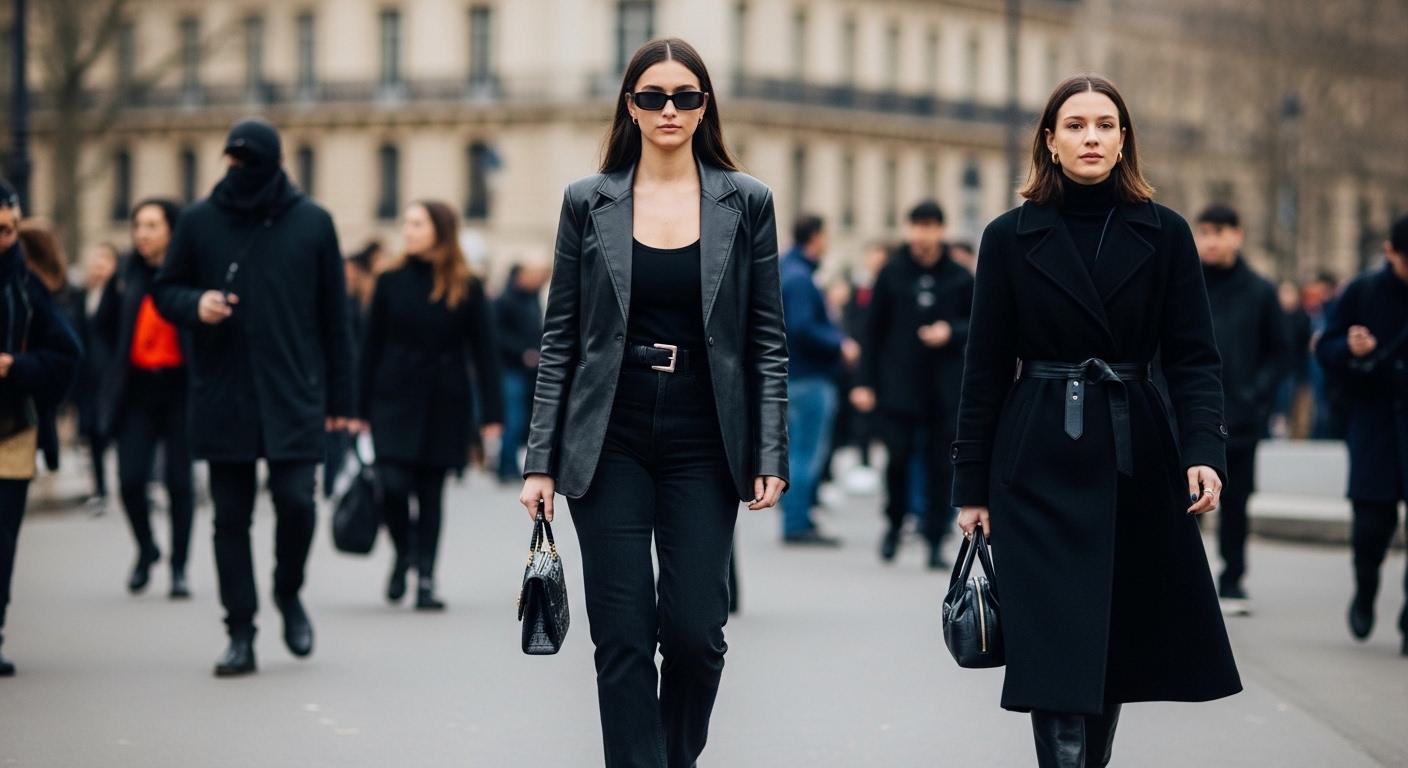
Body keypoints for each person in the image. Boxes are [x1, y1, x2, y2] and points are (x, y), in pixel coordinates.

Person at [951, 75, 1241, 766]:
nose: (1091, 137)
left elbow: (1195, 357)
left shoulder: (1165, 232)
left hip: (1131, 452)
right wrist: (970, 488)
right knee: (1054, 643)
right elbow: (983, 368)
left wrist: (1204, 449)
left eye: (1105, 125)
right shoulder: (1007, 237)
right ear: (1049, 142)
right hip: (1036, 457)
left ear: (1123, 140)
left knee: (1106, 645)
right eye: (1075, 125)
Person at [519, 38, 787, 768]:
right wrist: (538, 459)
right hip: (609, 430)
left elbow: (766, 339)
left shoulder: (747, 201)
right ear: (630, 106)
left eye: (686, 96)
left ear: (705, 107)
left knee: (698, 634)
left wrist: (770, 451)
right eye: (652, 97)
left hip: (707, 429)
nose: (669, 110)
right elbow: (562, 338)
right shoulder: (588, 201)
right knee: (624, 636)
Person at [153, 118, 356, 677]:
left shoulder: (312, 222)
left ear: (274, 164)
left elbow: (336, 319)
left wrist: (343, 398)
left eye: (250, 162)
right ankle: (239, 630)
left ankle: (287, 592)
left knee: (297, 501)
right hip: (224, 392)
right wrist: (196, 304)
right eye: (232, 161)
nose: (239, 172)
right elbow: (164, 289)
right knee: (230, 517)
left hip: (294, 391)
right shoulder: (197, 221)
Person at [358, 201, 503, 610]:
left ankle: (425, 577)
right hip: (392, 399)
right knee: (392, 485)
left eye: (416, 223)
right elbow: (368, 346)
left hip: (445, 401)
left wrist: (493, 415)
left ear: (440, 229)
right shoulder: (389, 281)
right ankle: (404, 551)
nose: (407, 230)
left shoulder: (466, 285)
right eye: (405, 222)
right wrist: (355, 406)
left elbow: (485, 354)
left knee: (431, 492)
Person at [851, 201, 972, 568]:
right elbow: (871, 332)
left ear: (941, 230)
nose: (923, 234)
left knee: (940, 466)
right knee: (898, 460)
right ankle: (894, 523)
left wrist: (949, 331)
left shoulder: (960, 276)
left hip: (943, 388)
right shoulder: (892, 273)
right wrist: (864, 382)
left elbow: (978, 324)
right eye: (918, 225)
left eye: (931, 226)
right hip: (898, 385)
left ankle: (936, 537)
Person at [1315, 213, 1408, 657]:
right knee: (1372, 523)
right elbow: (1325, 346)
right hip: (1373, 423)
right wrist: (1349, 349)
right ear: (1390, 253)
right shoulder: (1364, 291)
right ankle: (1365, 587)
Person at [0, 181, 83, 676]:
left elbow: (68, 354)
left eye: (10, 229)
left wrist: (17, 367)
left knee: (2, 538)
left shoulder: (26, 287)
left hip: (11, 429)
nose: (4, 239)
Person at [93, 199, 196, 599]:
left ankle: (179, 567)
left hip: (180, 388)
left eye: (152, 225)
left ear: (172, 229)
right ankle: (147, 548)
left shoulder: (188, 273)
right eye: (138, 225)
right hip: (136, 390)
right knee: (131, 479)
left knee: (179, 483)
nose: (142, 234)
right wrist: (111, 367)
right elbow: (99, 328)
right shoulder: (126, 276)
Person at [1195, 203, 1288, 616]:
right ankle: (1189, 579)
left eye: (1218, 232)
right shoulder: (1186, 282)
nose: (1210, 241)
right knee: (1185, 499)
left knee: (1236, 502)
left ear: (1237, 235)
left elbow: (1280, 352)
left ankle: (1232, 579)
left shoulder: (1260, 290)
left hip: (1241, 418)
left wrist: (1257, 396)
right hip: (1192, 415)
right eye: (1204, 232)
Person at [778, 213, 850, 545]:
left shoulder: (785, 269)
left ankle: (796, 516)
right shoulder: (800, 278)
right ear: (816, 238)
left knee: (796, 450)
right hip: (808, 376)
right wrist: (840, 343)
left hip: (792, 375)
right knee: (806, 452)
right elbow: (802, 328)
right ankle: (797, 521)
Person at [493, 257, 549, 483]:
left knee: (523, 418)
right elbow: (497, 336)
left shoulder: (532, 299)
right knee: (512, 418)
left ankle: (511, 463)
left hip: (530, 369)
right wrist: (521, 352)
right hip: (510, 369)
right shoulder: (505, 300)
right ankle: (505, 465)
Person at [80, 242, 120, 512]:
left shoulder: (119, 294)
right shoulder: (82, 295)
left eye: (105, 260)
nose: (99, 266)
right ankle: (100, 489)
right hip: (88, 375)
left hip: (112, 373)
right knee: (92, 433)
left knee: (114, 429)